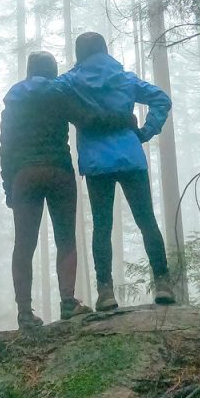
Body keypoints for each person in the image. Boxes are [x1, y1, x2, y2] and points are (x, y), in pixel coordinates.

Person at [0, 50, 131, 328]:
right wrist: (122, 119)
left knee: (24, 244)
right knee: (66, 239)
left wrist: (8, 187)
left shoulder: (13, 102)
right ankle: (68, 302)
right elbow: (89, 117)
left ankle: (24, 312)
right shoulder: (60, 92)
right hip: (58, 171)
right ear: (53, 70)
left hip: (24, 174)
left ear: (28, 70)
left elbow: (6, 148)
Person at [57, 31, 175, 311]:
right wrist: (145, 132)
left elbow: (48, 91)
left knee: (102, 226)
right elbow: (161, 99)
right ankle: (163, 284)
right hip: (131, 157)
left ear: (79, 53)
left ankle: (105, 292)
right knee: (147, 221)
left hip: (97, 164)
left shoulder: (72, 81)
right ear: (105, 49)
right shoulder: (124, 78)